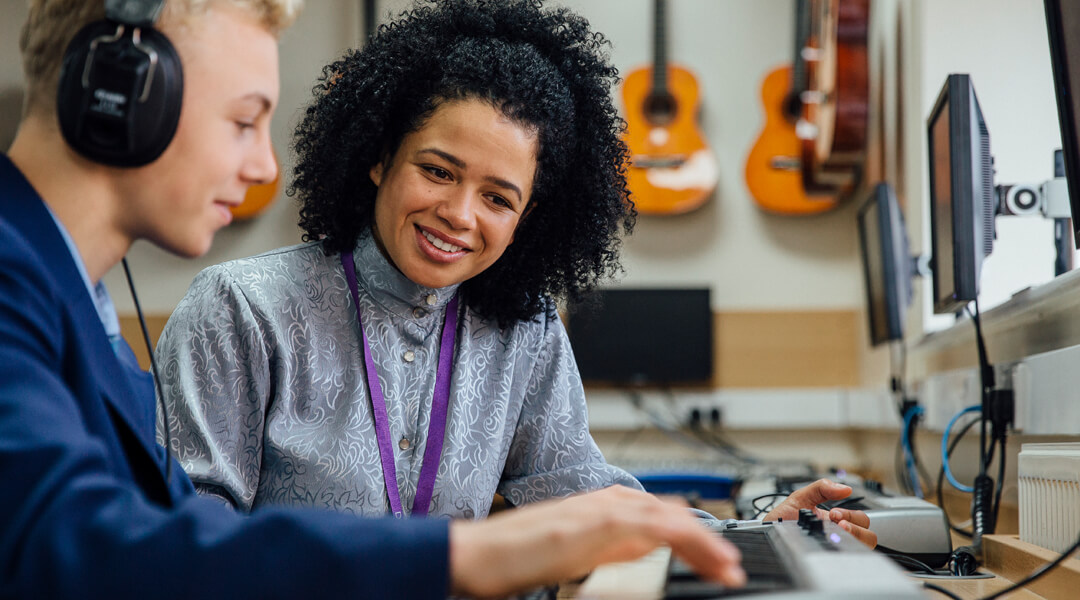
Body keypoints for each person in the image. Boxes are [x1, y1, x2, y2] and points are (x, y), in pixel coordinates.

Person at [0, 0, 753, 597]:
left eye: (498, 196)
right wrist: (463, 555)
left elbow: (155, 535)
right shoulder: (25, 285)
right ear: (120, 101)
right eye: (242, 119)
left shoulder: (75, 303)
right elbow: (97, 548)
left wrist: (754, 531)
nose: (265, 160)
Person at [154, 0, 877, 548]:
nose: (460, 215)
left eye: (499, 197)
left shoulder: (524, 331)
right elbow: (186, 542)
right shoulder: (239, 310)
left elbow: (584, 499)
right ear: (379, 158)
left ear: (529, 214)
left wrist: (762, 531)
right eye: (438, 171)